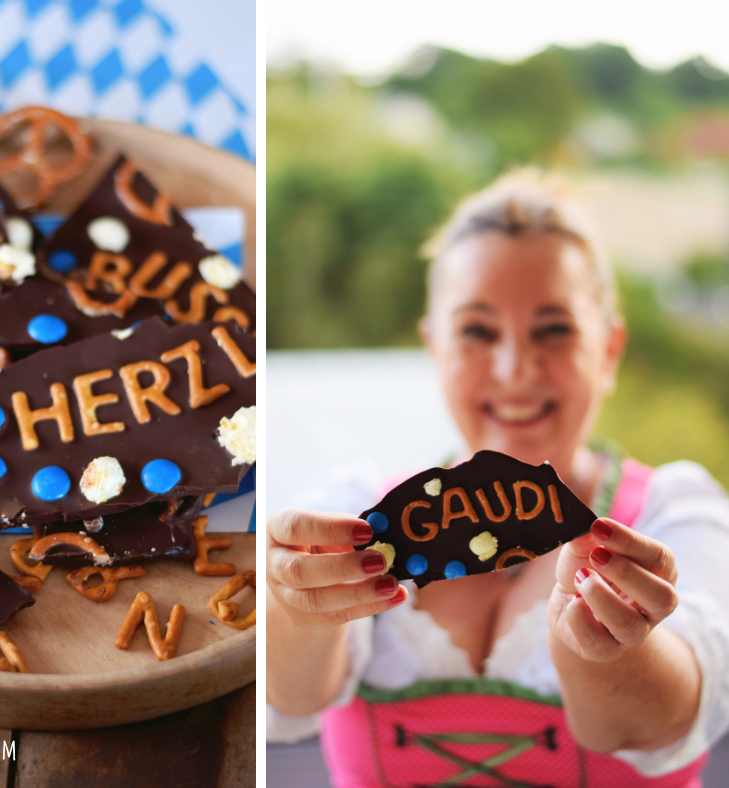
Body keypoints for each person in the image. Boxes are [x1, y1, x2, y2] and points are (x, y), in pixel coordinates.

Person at [266, 171, 729, 787]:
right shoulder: (352, 511)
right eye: (477, 331)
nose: (515, 369)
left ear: (609, 350)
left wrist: (609, 650)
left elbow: (661, 721)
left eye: (554, 330)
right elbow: (292, 699)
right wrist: (296, 608)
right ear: (434, 348)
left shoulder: (675, 514)